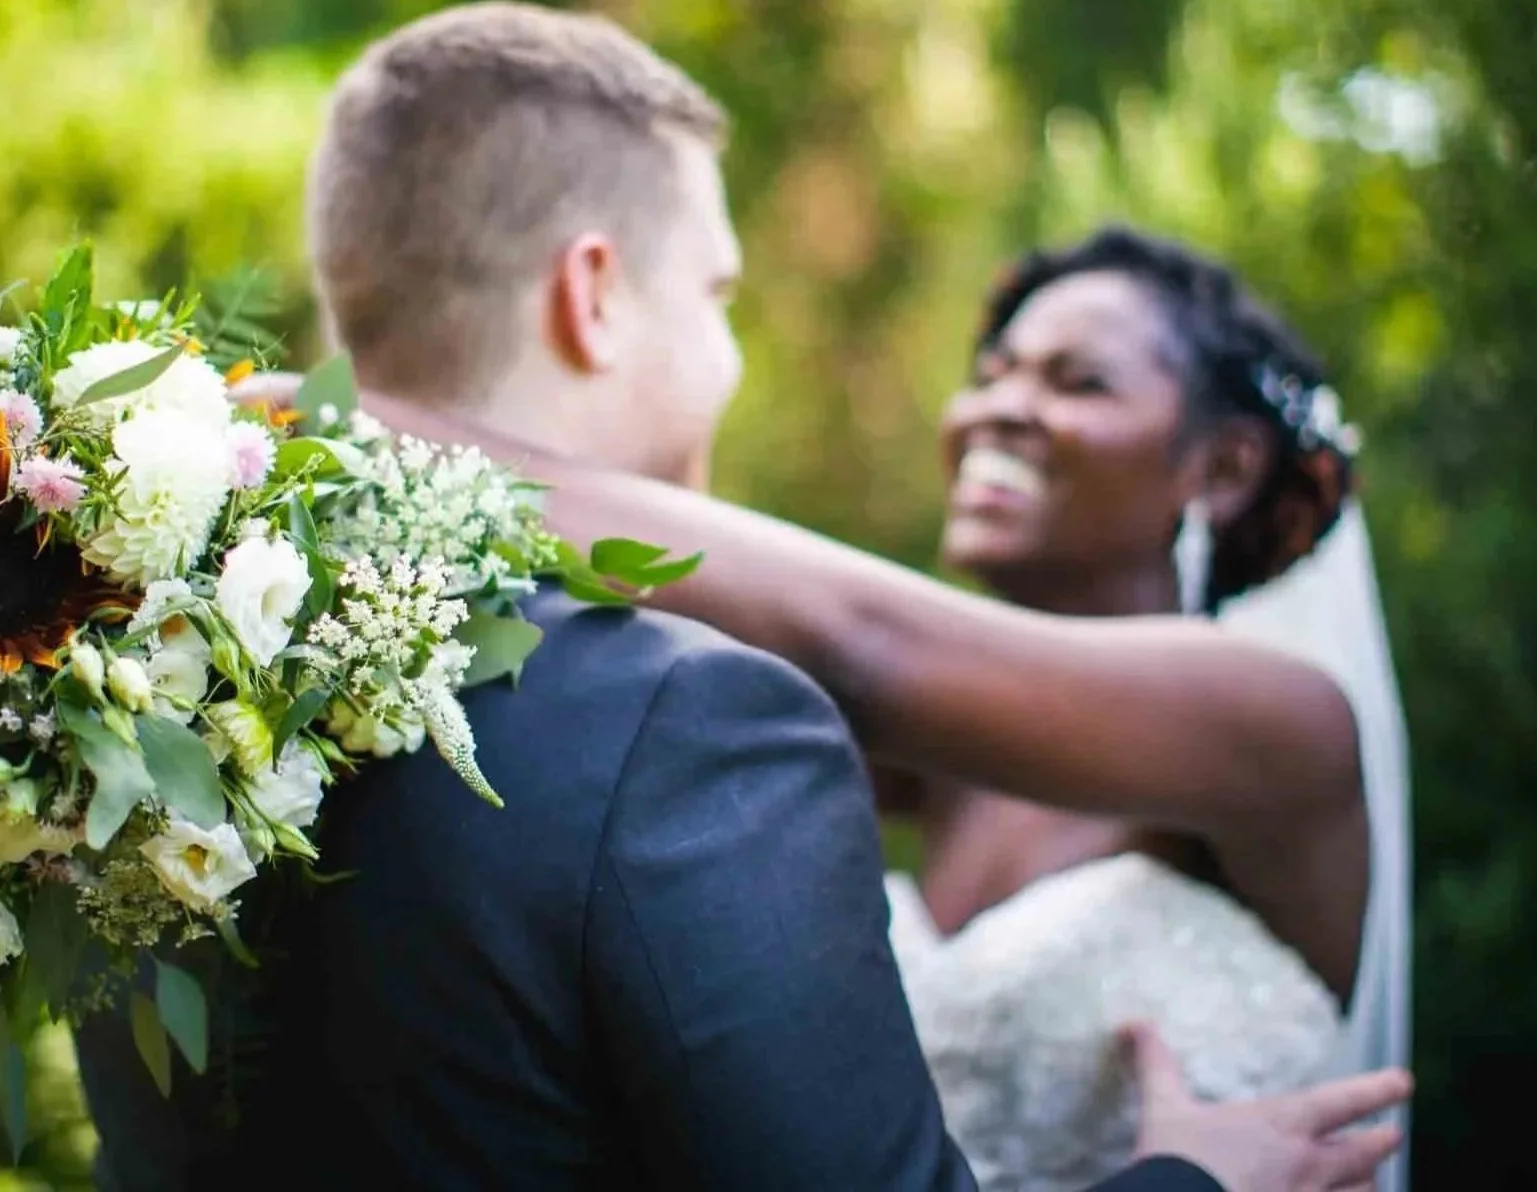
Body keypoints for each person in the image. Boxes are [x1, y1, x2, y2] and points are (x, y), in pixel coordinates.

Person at [77, 6, 1411, 1189]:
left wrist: (330, 440)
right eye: (719, 292)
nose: (1000, 404)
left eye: (1080, 380)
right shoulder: (709, 737)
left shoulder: (169, 692)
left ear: (1226, 464)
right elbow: (806, 663)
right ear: (593, 294)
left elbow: (865, 641)